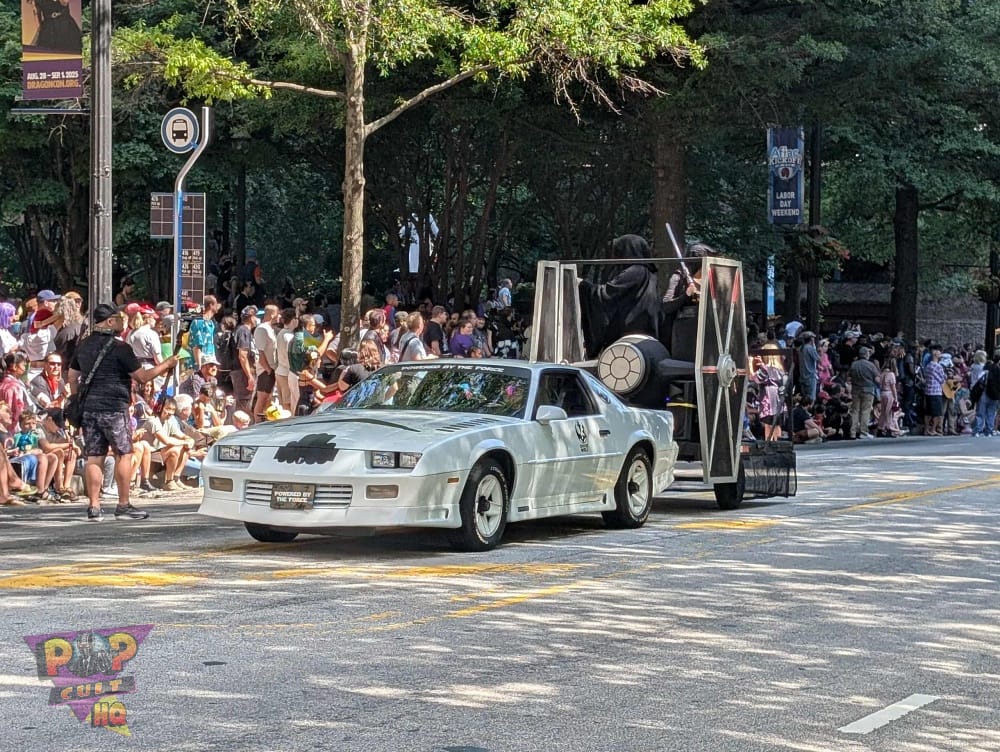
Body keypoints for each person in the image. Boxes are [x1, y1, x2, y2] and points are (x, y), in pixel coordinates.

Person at [68, 302, 179, 521]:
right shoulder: (120, 348)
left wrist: (76, 398)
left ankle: (94, 507)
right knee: (123, 454)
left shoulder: (83, 345)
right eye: (118, 318)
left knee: (95, 456)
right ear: (109, 322)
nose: (122, 322)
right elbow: (143, 377)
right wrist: (167, 364)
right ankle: (123, 505)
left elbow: (72, 377)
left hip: (90, 408)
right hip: (115, 408)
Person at [578, 234, 660, 358]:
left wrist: (582, 285)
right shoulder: (649, 274)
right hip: (644, 336)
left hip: (629, 338)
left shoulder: (635, 271)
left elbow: (606, 294)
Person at [252, 305, 279, 423]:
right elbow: (260, 351)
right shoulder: (262, 329)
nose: (279, 316)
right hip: (265, 369)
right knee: (262, 398)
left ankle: (265, 421)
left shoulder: (270, 329)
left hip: (271, 367)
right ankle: (257, 423)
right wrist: (268, 369)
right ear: (272, 314)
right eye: (278, 313)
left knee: (268, 397)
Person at [230, 306, 258, 418]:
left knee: (246, 402)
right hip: (242, 373)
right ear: (251, 317)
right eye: (255, 316)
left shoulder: (241, 330)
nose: (256, 319)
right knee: (244, 403)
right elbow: (242, 355)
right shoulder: (244, 331)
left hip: (242, 372)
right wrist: (250, 376)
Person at [848, 346, 880, 439]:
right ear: (866, 354)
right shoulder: (870, 365)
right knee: (865, 411)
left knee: (855, 411)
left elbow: (849, 376)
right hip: (868, 390)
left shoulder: (854, 364)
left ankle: (852, 432)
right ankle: (863, 432)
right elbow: (877, 379)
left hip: (855, 390)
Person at [187, 294, 220, 368]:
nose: (218, 306)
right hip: (200, 365)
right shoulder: (199, 321)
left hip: (210, 362)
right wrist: (199, 365)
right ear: (211, 305)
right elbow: (197, 345)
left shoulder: (211, 323)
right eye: (216, 304)